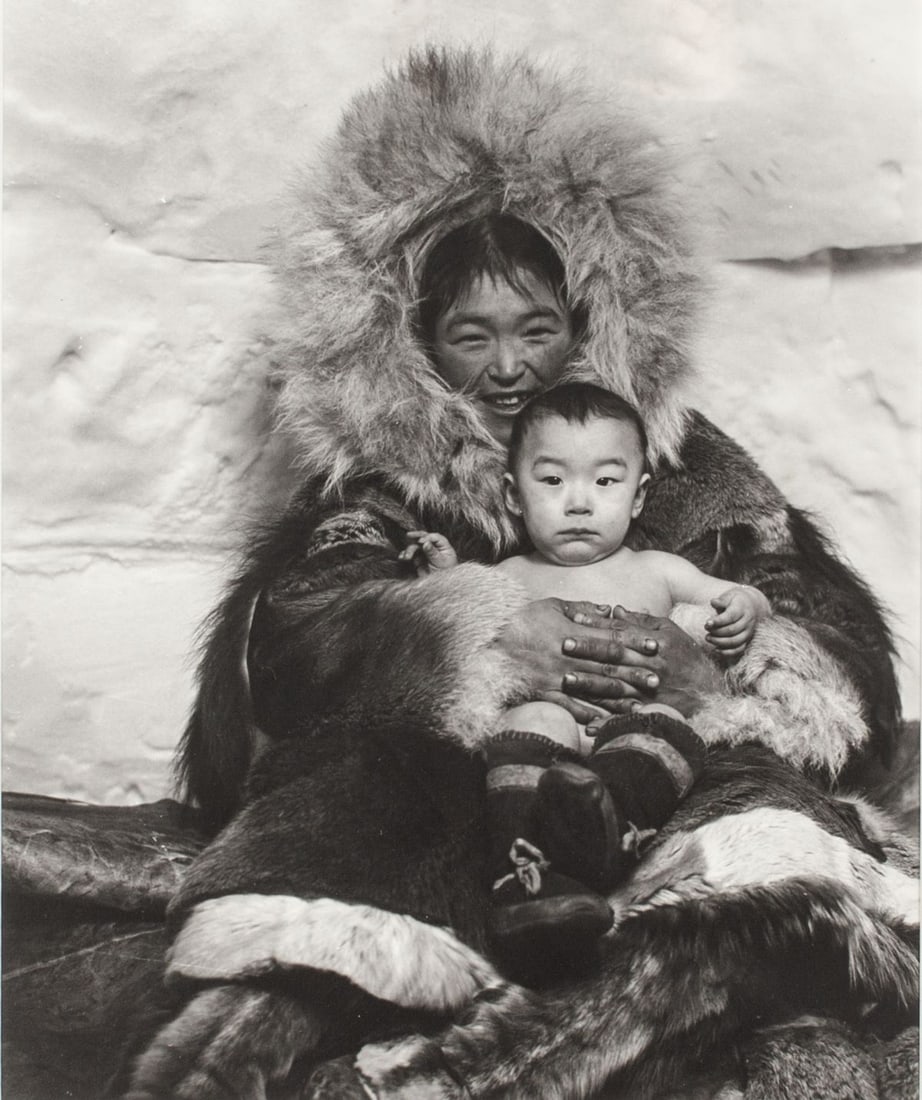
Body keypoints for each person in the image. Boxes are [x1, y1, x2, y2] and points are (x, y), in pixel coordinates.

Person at [63, 46, 913, 1099]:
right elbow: (279, 663)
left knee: (752, 848)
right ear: (414, 343)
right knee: (351, 817)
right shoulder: (382, 491)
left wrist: (731, 679)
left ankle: (552, 1039)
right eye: (472, 334)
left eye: (536, 329)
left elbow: (824, 640)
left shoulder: (676, 466)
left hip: (660, 773)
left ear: (590, 324)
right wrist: (468, 630)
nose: (509, 367)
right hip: (470, 808)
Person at [402, 382, 772, 969]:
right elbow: (462, 629)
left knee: (669, 724)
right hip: (551, 739)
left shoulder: (659, 569)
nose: (579, 502)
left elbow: (734, 595)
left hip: (630, 735)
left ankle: (611, 822)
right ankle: (524, 873)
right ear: (514, 495)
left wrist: (745, 605)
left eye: (605, 482)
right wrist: (442, 579)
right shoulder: (509, 572)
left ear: (639, 494)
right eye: (552, 481)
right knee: (530, 717)